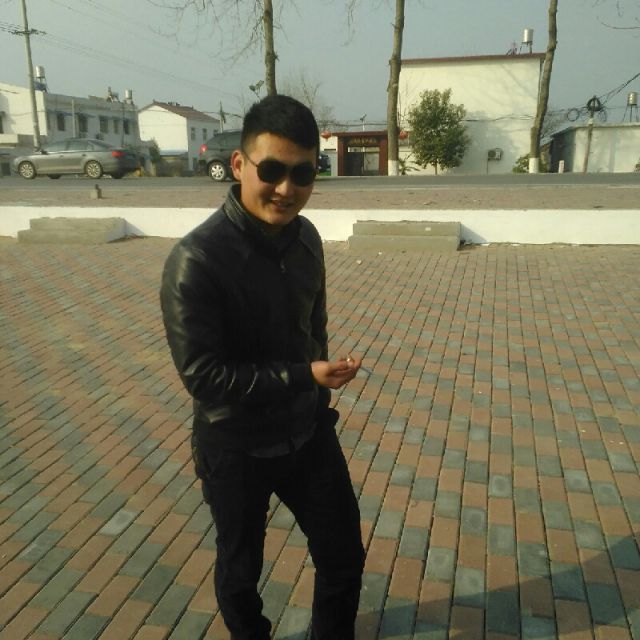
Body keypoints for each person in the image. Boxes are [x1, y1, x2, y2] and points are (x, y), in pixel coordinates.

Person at [160, 94, 365, 640]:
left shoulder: (306, 238)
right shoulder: (196, 260)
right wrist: (305, 377)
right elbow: (203, 377)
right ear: (239, 164)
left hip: (306, 432)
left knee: (344, 555)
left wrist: (318, 395)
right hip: (235, 446)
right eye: (271, 170)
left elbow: (313, 328)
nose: (286, 188)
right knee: (241, 570)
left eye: (303, 173)